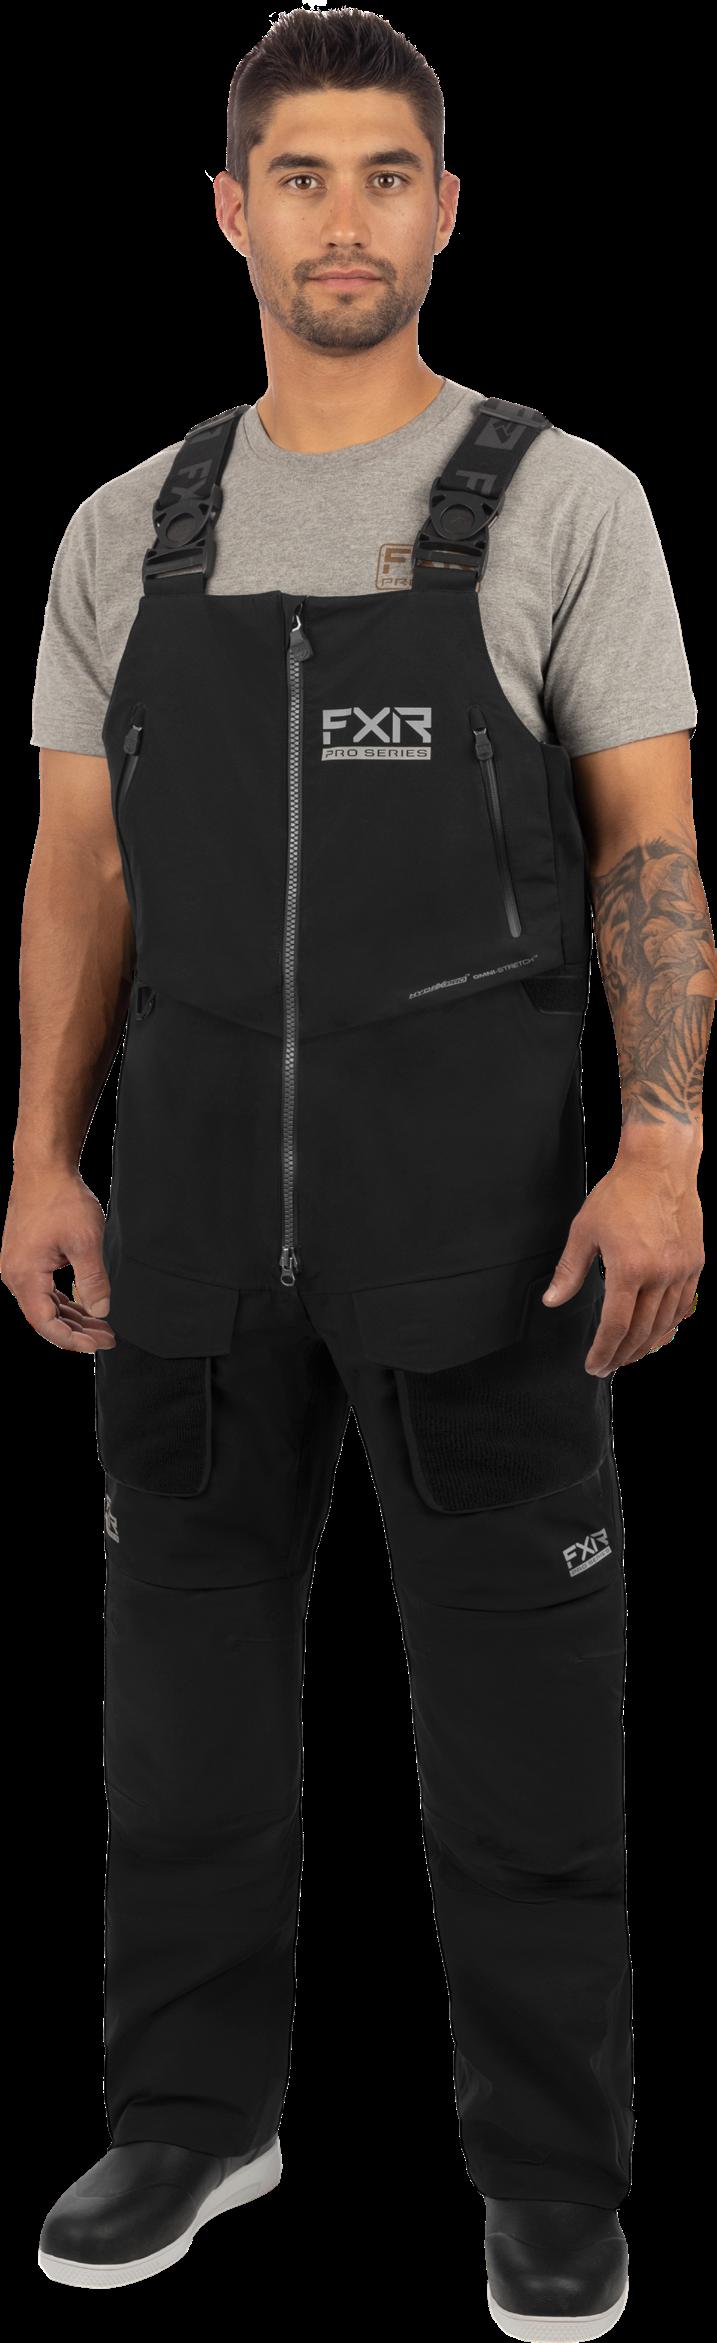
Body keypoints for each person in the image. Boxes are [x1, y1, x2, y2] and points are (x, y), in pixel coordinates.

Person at [4, 8, 712, 2321]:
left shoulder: (563, 501)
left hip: (489, 1232)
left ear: (443, 210)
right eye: (297, 175)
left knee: (523, 1720)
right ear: (230, 213)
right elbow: (83, 868)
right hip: (194, 1224)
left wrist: (660, 1139)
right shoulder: (127, 527)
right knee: (182, 1704)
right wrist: (40, 1152)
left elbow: (648, 847)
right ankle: (189, 2116)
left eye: (383, 174)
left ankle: (550, 2165)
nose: (342, 217)